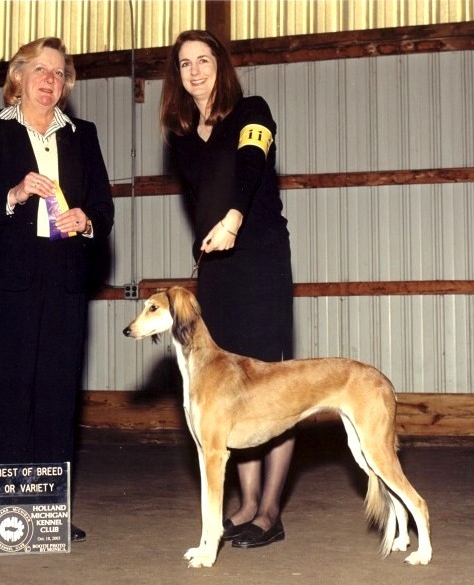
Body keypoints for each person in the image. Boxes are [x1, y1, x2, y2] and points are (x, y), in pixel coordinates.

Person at [0, 37, 114, 542]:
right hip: (7, 284)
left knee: (59, 397)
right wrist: (14, 195)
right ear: (17, 76)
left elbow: (104, 210)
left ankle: (50, 515)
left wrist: (86, 221)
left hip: (64, 282)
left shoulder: (83, 135)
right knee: (12, 395)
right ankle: (13, 517)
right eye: (40, 70)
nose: (50, 80)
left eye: (60, 73)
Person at [160, 30, 295, 549]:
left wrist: (235, 217)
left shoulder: (252, 111)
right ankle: (243, 504)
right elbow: (199, 199)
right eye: (185, 63)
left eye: (204, 60)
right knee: (227, 389)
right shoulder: (179, 136)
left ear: (221, 65)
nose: (195, 71)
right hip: (216, 265)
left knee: (271, 383)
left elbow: (249, 165)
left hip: (258, 258)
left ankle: (269, 513)